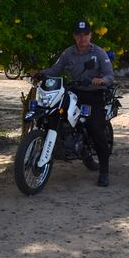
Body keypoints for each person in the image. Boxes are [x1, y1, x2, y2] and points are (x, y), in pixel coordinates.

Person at [38, 20, 114, 187]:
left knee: (95, 128)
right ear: (74, 36)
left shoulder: (99, 53)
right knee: (54, 115)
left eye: (85, 34)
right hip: (74, 93)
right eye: (79, 34)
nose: (82, 38)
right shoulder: (68, 53)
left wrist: (101, 80)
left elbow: (109, 75)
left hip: (93, 95)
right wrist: (40, 74)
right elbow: (55, 70)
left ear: (90, 35)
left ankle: (104, 171)